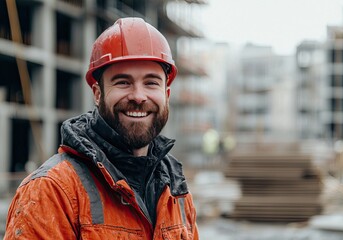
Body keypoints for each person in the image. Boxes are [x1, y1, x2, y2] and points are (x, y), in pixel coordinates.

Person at [4, 17, 199, 239]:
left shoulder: (175, 191)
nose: (138, 96)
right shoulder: (52, 191)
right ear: (98, 94)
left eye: (151, 82)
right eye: (123, 82)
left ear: (166, 94)